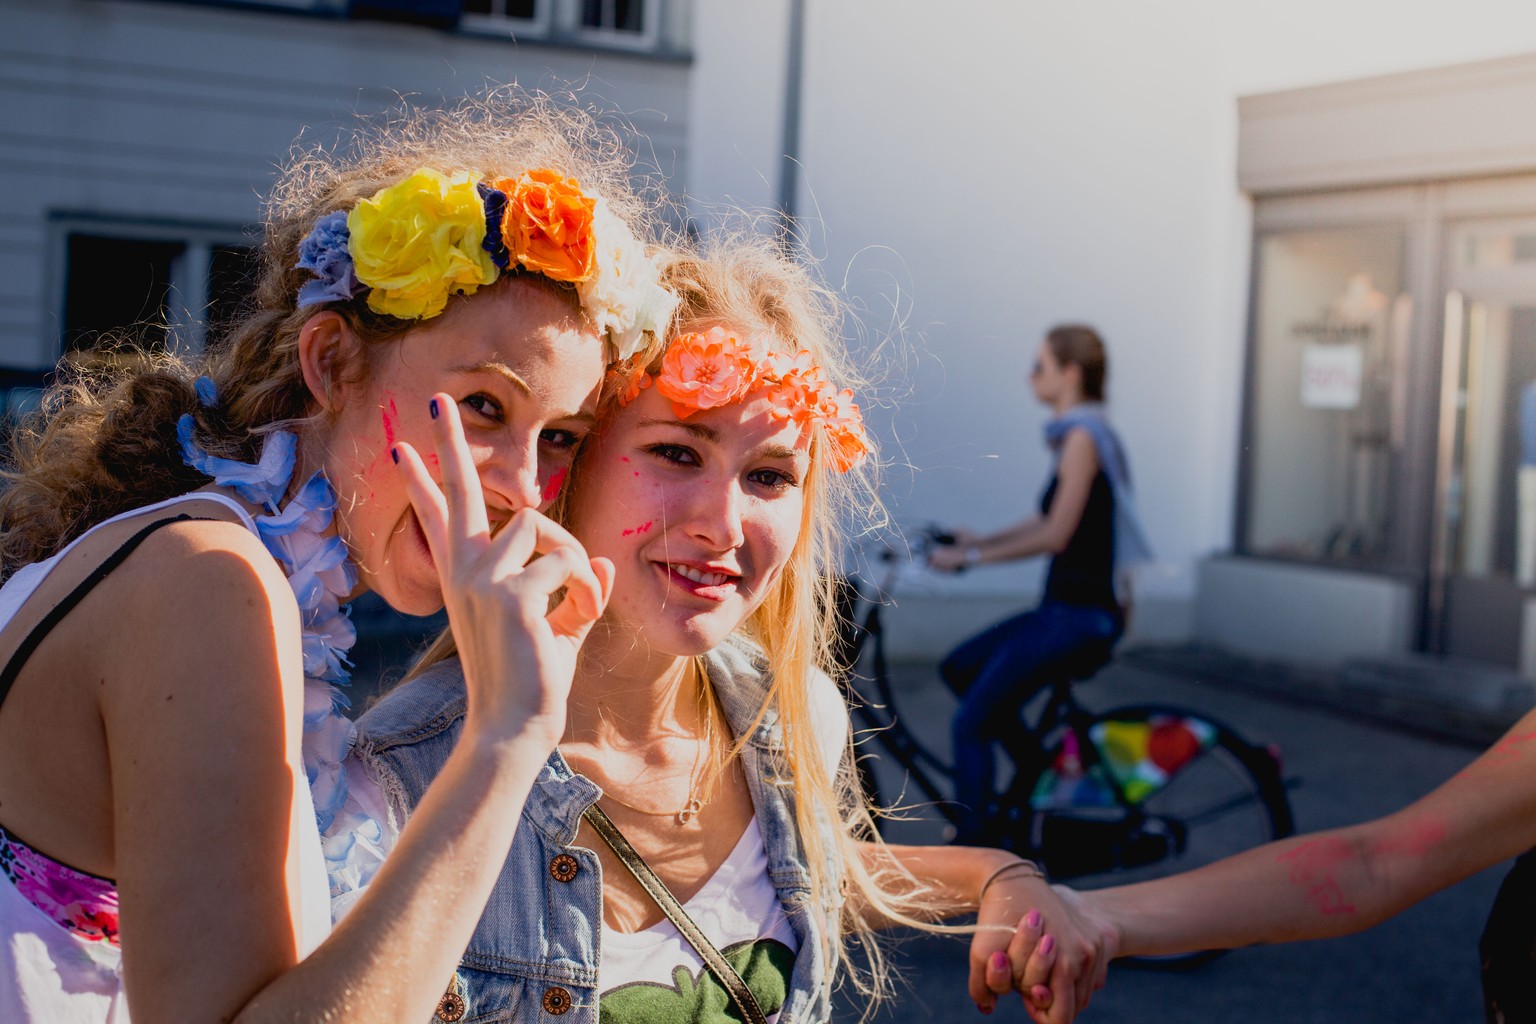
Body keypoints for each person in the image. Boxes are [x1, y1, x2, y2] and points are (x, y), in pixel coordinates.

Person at [0, 91, 679, 1021]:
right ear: (330, 363)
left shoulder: (207, 555)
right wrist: (507, 736)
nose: (520, 484)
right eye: (484, 407)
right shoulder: (212, 582)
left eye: (562, 436)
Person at [327, 240, 1110, 1022]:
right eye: (675, 452)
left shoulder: (790, 714)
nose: (723, 526)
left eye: (769, 476)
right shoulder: (391, 782)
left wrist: (1000, 875)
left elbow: (816, 870)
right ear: (568, 463)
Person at [928, 325, 1152, 846]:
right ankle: (1039, 772)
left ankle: (976, 850)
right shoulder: (1083, 434)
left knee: (971, 724)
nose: (1031, 376)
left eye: (1040, 365)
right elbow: (1043, 516)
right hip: (1065, 610)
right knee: (960, 668)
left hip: (1079, 615)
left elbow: (1057, 533)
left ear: (1070, 374)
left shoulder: (1082, 439)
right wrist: (978, 539)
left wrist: (972, 560)